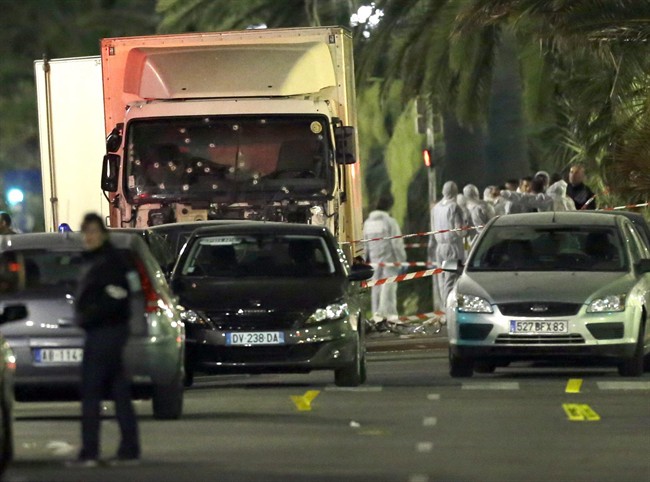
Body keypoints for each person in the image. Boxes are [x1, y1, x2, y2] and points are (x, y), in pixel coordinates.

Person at [69, 213, 140, 467]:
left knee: (91, 391)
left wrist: (87, 317)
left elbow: (117, 299)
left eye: (94, 231)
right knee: (119, 391)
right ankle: (130, 449)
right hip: (105, 332)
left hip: (105, 332)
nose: (89, 237)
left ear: (104, 234)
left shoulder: (111, 263)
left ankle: (90, 452)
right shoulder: (96, 260)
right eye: (86, 232)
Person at [363, 194, 406, 326]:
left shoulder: (368, 223)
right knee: (389, 288)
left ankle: (377, 316)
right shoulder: (389, 222)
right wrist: (402, 260)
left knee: (376, 288)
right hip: (389, 260)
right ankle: (390, 316)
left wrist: (365, 260)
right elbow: (396, 243)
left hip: (374, 261)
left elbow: (365, 244)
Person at [429, 181, 465, 308]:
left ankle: (444, 307)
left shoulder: (435, 208)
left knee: (442, 279)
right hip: (452, 247)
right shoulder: (454, 207)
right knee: (451, 279)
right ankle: (449, 309)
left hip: (440, 247)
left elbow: (433, 229)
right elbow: (460, 231)